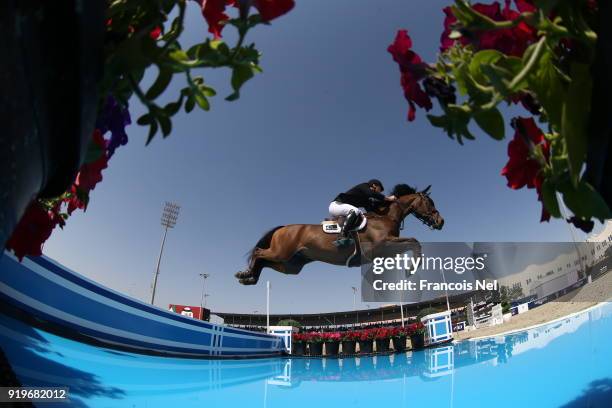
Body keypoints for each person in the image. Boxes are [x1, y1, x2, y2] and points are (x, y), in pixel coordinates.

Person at [329, 179, 396, 246]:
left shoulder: (366, 199)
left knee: (359, 214)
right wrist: (387, 198)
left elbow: (372, 209)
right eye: (379, 190)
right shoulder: (364, 186)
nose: (379, 193)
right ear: (374, 185)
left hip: (342, 208)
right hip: (336, 205)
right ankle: (343, 236)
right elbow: (371, 194)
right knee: (355, 211)